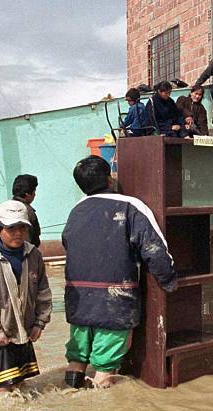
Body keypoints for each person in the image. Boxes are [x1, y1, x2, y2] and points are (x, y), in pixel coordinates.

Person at [62, 156, 177, 389]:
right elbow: (155, 250)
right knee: (105, 366)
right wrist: (169, 280)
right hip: (115, 301)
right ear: (109, 178)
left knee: (77, 357)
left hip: (78, 300)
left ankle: (71, 393)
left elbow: (67, 243)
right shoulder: (131, 206)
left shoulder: (76, 209)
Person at [0, 200, 53, 394]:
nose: (18, 233)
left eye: (22, 228)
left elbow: (43, 293)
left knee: (21, 385)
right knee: (3, 390)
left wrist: (40, 323)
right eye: (11, 228)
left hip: (25, 332)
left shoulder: (34, 256)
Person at [12, 174, 41, 248]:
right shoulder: (28, 212)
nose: (35, 195)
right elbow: (35, 241)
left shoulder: (5, 207)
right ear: (27, 194)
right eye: (34, 192)